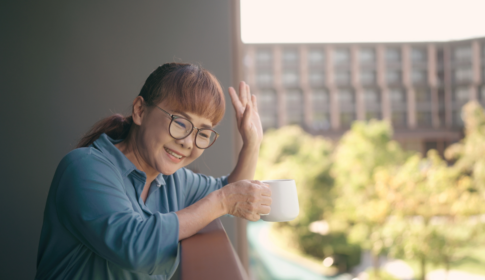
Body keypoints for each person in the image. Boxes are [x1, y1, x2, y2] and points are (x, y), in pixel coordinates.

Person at [35, 62, 271, 280]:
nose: (189, 143)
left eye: (203, 133)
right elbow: (135, 247)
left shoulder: (173, 180)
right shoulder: (84, 167)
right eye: (180, 122)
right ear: (140, 110)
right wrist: (220, 202)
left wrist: (252, 144)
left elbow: (232, 192)